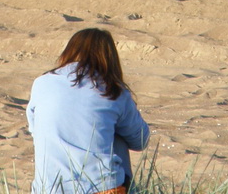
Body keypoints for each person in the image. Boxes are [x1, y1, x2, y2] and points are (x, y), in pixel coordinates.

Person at [27, 29, 150, 194]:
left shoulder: (41, 83)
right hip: (100, 188)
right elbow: (140, 140)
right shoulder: (113, 90)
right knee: (117, 133)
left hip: (48, 188)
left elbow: (34, 130)